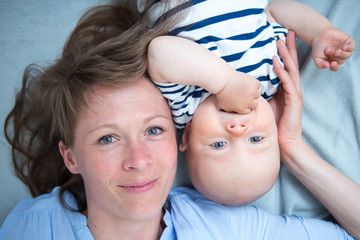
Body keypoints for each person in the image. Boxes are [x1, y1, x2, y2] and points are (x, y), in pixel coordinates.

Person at [0, 2, 359, 240]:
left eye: (154, 130)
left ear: (178, 137)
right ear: (70, 157)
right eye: (107, 138)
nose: (138, 160)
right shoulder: (32, 225)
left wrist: (292, 147)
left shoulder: (226, 226)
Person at [144, 0, 356, 205]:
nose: (238, 129)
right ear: (273, 120)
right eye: (255, 139)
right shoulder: (270, 77)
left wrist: (225, 82)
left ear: (188, 135)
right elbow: (274, 12)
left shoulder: (186, 104)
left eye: (219, 145)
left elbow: (159, 50)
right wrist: (319, 31)